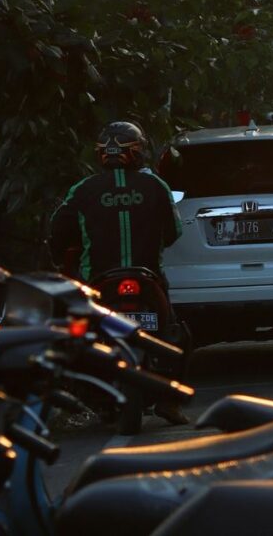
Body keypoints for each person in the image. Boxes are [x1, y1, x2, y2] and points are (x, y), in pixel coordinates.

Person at [49, 121, 190, 425]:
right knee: (174, 332)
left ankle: (92, 398)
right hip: (149, 278)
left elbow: (57, 232)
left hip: (99, 282)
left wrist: (61, 260)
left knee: (80, 336)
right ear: (138, 152)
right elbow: (174, 232)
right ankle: (170, 402)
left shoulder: (83, 189)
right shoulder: (156, 187)